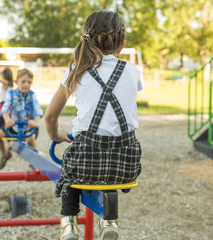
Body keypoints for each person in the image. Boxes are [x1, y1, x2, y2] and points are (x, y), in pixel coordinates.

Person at [44, 11, 142, 240]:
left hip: (85, 161)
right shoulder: (132, 71)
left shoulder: (77, 70)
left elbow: (50, 117)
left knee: (67, 173)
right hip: (126, 164)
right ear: (122, 45)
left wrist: (57, 135)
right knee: (110, 171)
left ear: (86, 39)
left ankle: (68, 222)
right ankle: (110, 220)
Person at [0, 68, 43, 170]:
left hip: (28, 127)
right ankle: (4, 155)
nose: (26, 85)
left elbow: (38, 110)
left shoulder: (32, 95)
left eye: (29, 82)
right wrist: (7, 120)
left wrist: (36, 122)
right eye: (23, 81)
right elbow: (5, 108)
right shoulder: (11, 94)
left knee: (30, 139)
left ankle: (33, 160)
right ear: (16, 82)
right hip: (14, 126)